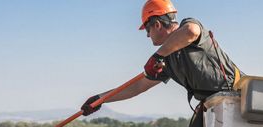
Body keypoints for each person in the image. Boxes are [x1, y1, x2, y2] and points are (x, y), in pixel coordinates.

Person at [81, 0, 241, 116]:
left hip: (239, 98)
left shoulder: (188, 26)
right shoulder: (166, 60)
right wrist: (100, 99)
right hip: (216, 106)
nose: (147, 35)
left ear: (157, 24)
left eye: (147, 29)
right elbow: (138, 86)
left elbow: (191, 32)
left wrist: (158, 56)